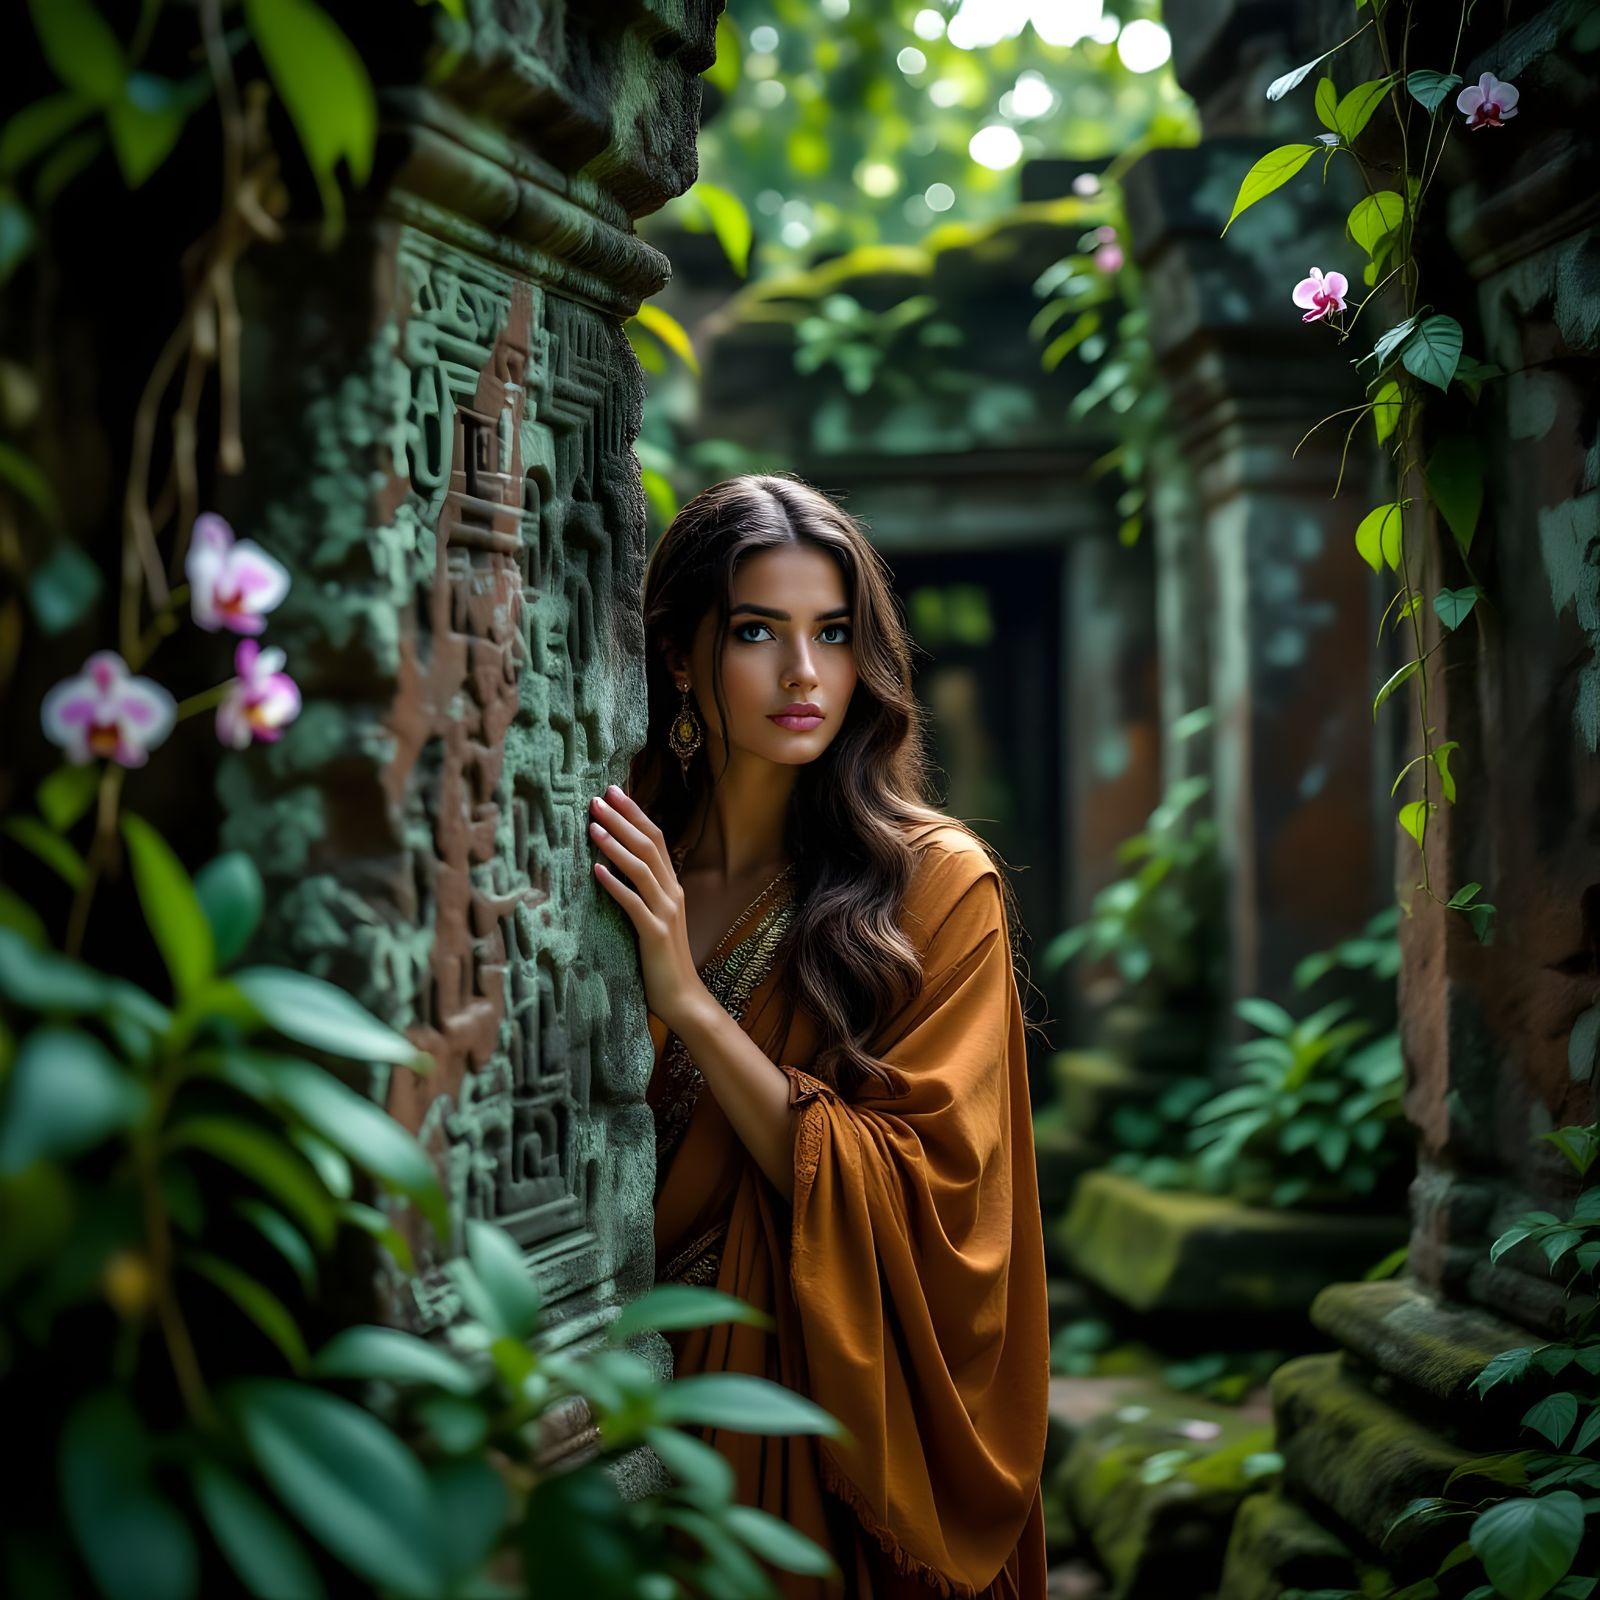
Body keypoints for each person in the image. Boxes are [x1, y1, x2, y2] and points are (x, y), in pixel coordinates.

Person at [588, 474, 1049, 1598]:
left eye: (833, 633)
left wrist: (688, 998)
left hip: (811, 1412)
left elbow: (936, 1196)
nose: (804, 673)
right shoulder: (616, 851)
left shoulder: (937, 887)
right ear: (680, 655)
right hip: (608, 1394)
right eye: (758, 631)